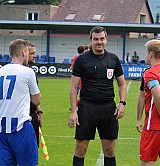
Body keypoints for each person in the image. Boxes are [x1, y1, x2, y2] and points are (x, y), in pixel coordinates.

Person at [68, 26, 127, 166]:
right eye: (96, 39)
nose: (99, 42)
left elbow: (122, 84)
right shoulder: (82, 60)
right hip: (86, 108)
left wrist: (122, 103)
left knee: (110, 150)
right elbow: (73, 87)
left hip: (108, 109)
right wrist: (74, 112)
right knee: (81, 149)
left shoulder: (113, 59)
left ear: (106, 40)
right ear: (91, 40)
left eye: (101, 39)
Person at [0, 39, 42, 166]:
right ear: (24, 53)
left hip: (1, 130)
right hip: (21, 127)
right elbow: (37, 100)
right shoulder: (27, 72)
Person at [27, 41, 43, 147]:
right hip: (24, 117)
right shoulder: (27, 73)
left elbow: (34, 95)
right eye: (32, 53)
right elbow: (37, 98)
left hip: (32, 114)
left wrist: (39, 113)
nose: (35, 56)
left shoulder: (32, 71)